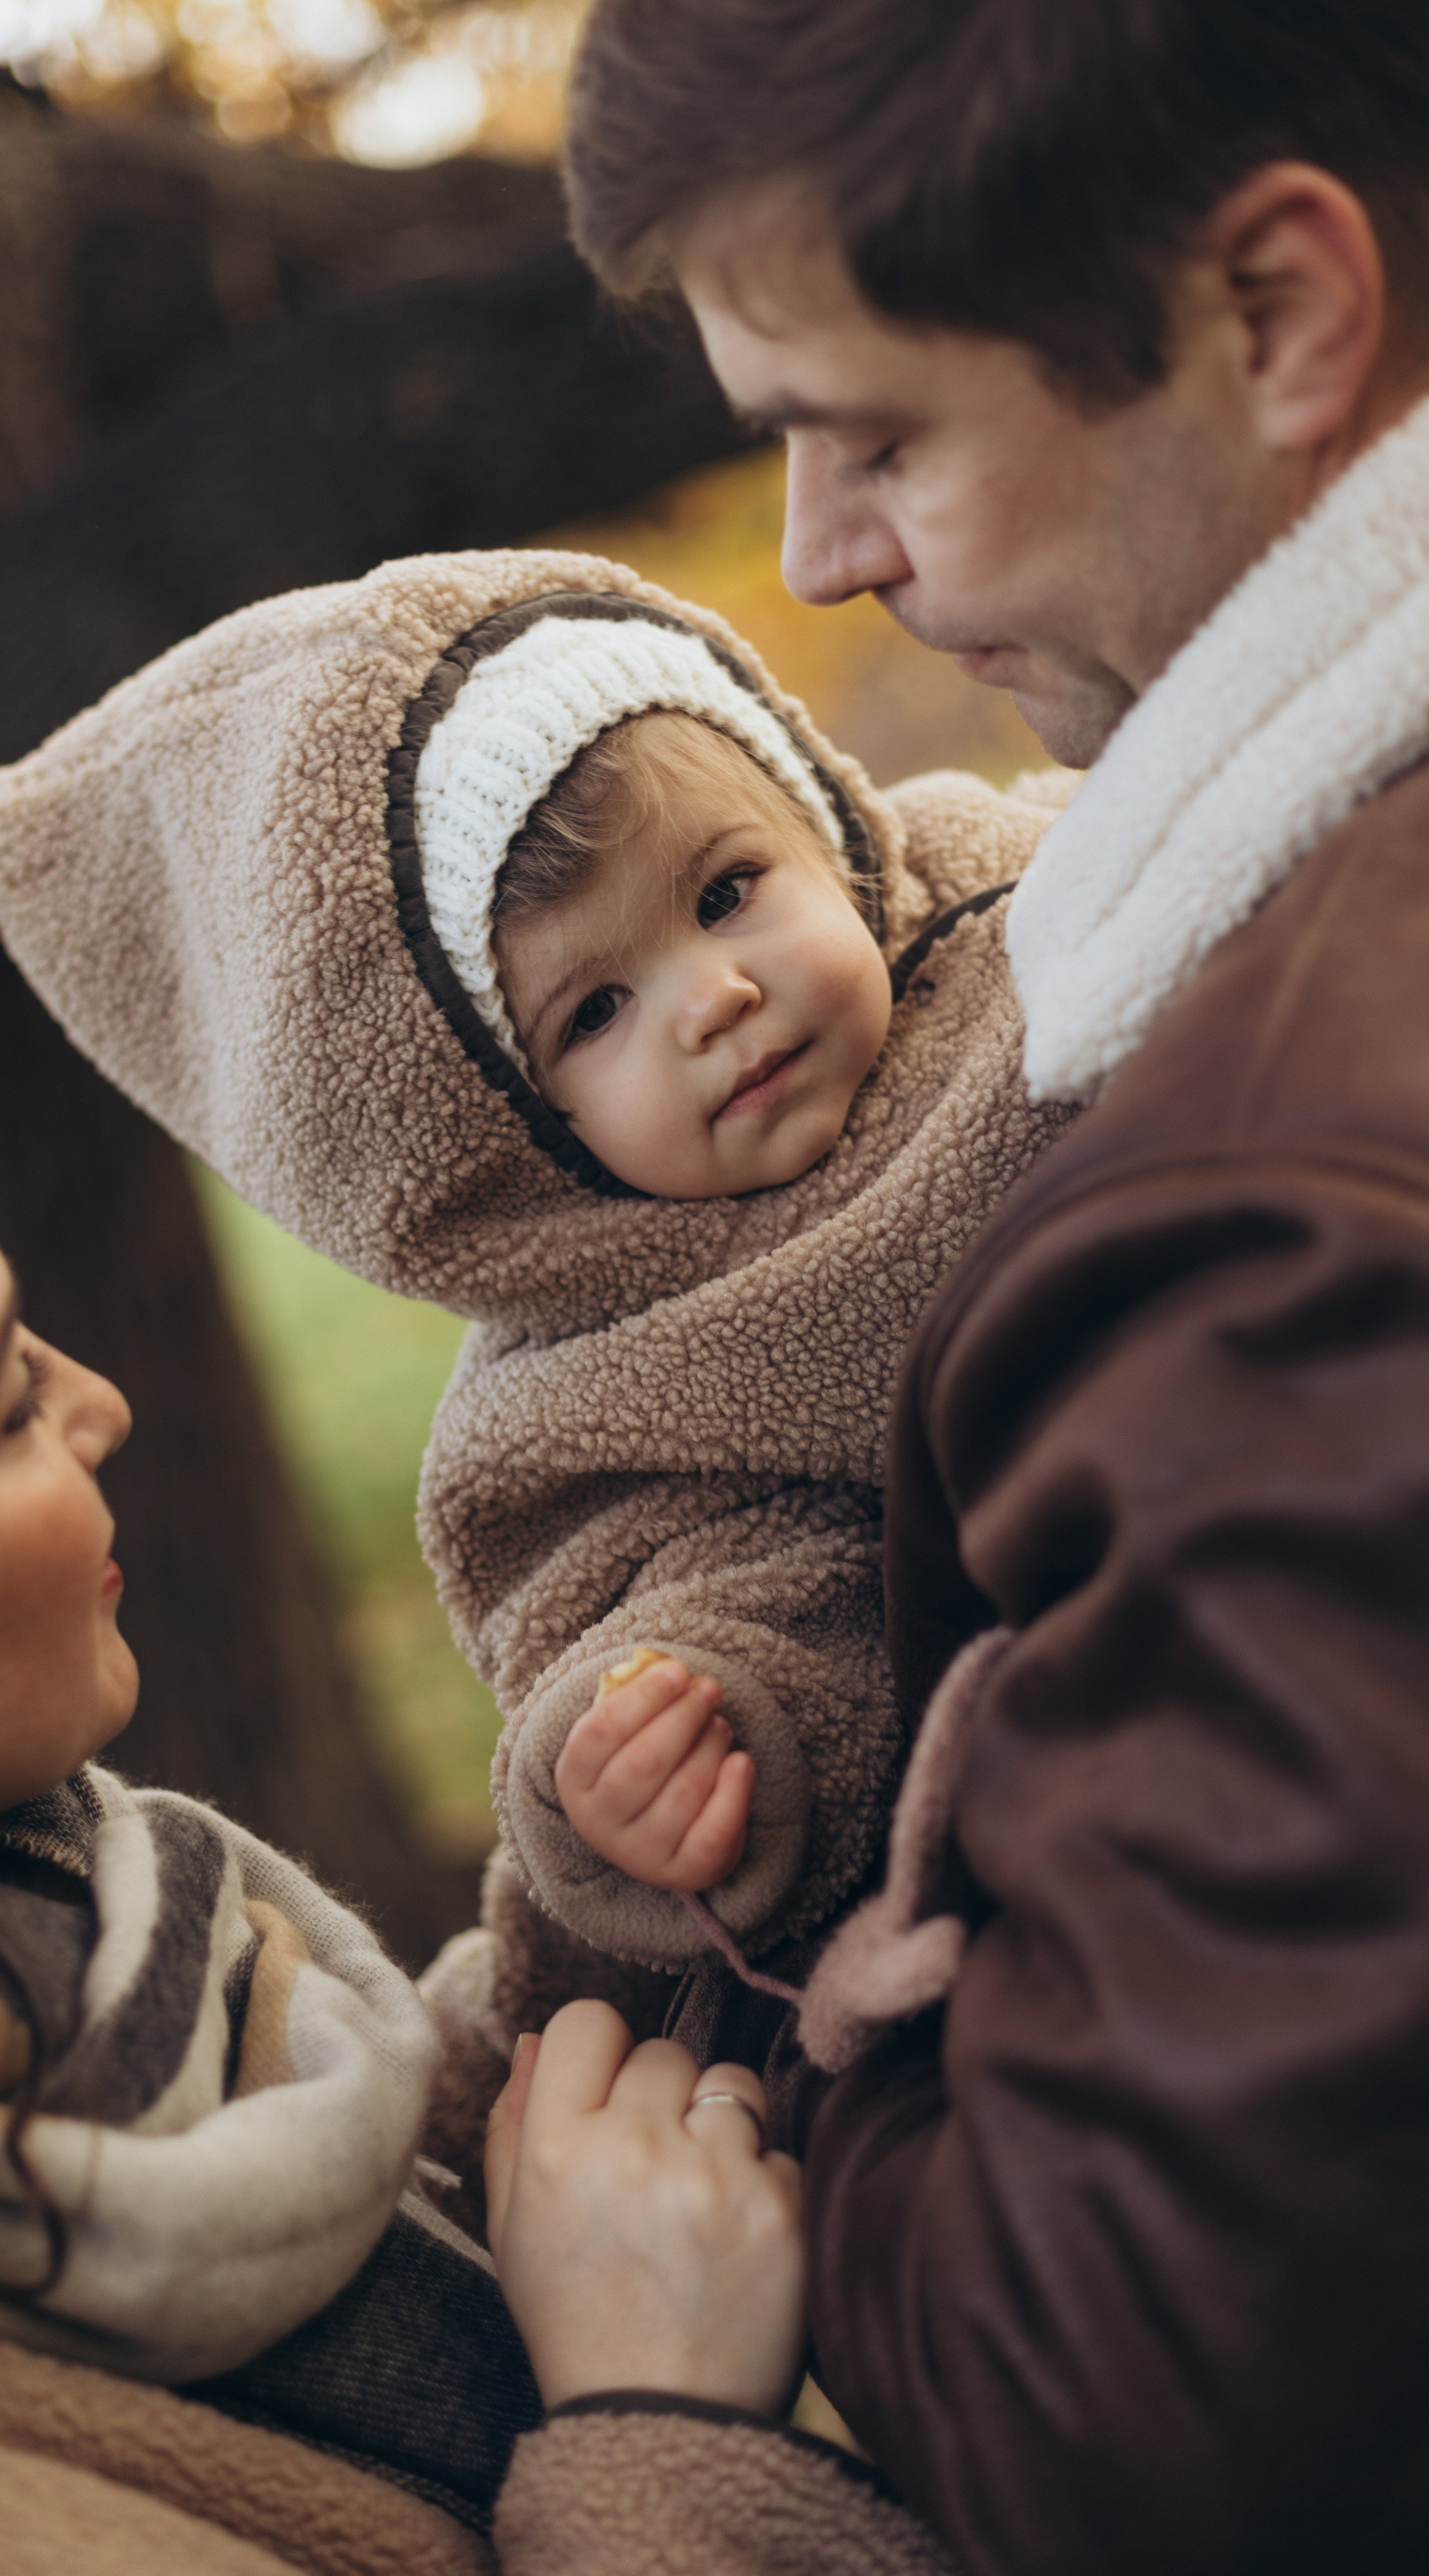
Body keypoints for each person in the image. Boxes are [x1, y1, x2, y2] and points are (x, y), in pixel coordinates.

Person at [553, 1, 1429, 2571]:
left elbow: (1138, 2413)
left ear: (1276, 312)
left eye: (880, 430)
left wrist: (823, 2089)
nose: (816, 551)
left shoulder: (1282, 1204)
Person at [0, 544, 1071, 2190]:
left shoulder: (1038, 911)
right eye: (592, 1015)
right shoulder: (606, 1398)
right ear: (494, 1146)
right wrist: (668, 1758)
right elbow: (726, 1604)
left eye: (728, 892)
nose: (713, 999)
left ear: (818, 818)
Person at [0, 971, 935, 2576]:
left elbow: (358, 2151)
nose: (102, 1402)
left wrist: (600, 1915)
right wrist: (657, 2425)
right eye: (7, 1408)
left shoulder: (68, 1918)